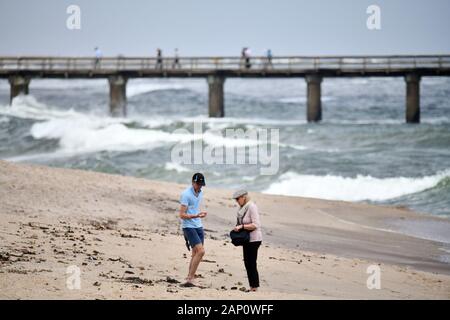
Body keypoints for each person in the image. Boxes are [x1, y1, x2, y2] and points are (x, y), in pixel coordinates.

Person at [179, 173, 208, 287]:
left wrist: (200, 215)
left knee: (195, 253)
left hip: (198, 225)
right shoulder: (186, 194)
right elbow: (181, 215)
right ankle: (191, 278)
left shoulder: (200, 192)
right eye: (198, 184)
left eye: (201, 184)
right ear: (193, 182)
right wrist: (195, 216)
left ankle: (189, 278)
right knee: (201, 251)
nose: (200, 187)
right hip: (188, 226)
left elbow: (194, 209)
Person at [231, 189, 262, 292]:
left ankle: (254, 287)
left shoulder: (252, 207)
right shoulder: (243, 208)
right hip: (247, 239)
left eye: (237, 199)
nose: (236, 201)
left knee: (251, 263)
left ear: (244, 197)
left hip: (254, 239)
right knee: (247, 263)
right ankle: (252, 286)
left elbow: (256, 224)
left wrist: (242, 227)